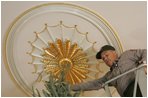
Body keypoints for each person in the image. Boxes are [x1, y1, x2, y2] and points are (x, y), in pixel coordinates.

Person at [71, 45, 147, 97]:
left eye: (106, 55)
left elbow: (144, 52)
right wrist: (70, 87)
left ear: (114, 52)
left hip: (140, 83)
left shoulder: (126, 55)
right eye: (103, 58)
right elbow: (92, 84)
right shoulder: (109, 76)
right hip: (128, 94)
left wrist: (145, 64)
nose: (105, 59)